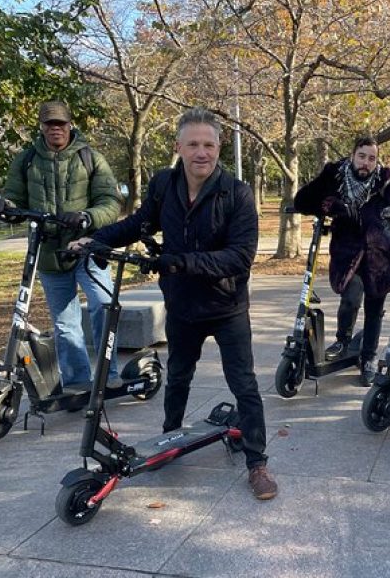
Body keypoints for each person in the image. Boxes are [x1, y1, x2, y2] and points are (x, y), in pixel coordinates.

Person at [70, 107, 277, 500]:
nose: (203, 152)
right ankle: (169, 440)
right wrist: (97, 240)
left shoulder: (236, 192)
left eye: (210, 145)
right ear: (179, 147)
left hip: (226, 306)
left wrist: (181, 261)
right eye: (194, 144)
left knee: (244, 385)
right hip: (182, 304)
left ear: (219, 149)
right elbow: (139, 224)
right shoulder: (164, 184)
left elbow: (240, 257)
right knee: (178, 376)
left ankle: (257, 463)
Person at [0, 101, 122, 388]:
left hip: (87, 248)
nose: (56, 129)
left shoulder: (90, 158)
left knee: (104, 306)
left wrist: (86, 217)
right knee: (65, 324)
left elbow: (110, 202)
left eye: (61, 123)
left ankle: (107, 377)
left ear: (70, 124)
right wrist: (4, 206)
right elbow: (15, 200)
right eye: (50, 124)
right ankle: (76, 383)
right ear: (42, 127)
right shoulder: (26, 161)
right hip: (48, 252)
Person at [293, 136, 390, 385]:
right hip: (347, 253)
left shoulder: (387, 186)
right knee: (351, 299)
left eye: (371, 158)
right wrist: (329, 206)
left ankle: (369, 357)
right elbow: (302, 202)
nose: (366, 163)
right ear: (352, 155)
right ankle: (343, 339)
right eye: (362, 156)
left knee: (374, 309)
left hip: (379, 257)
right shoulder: (336, 177)